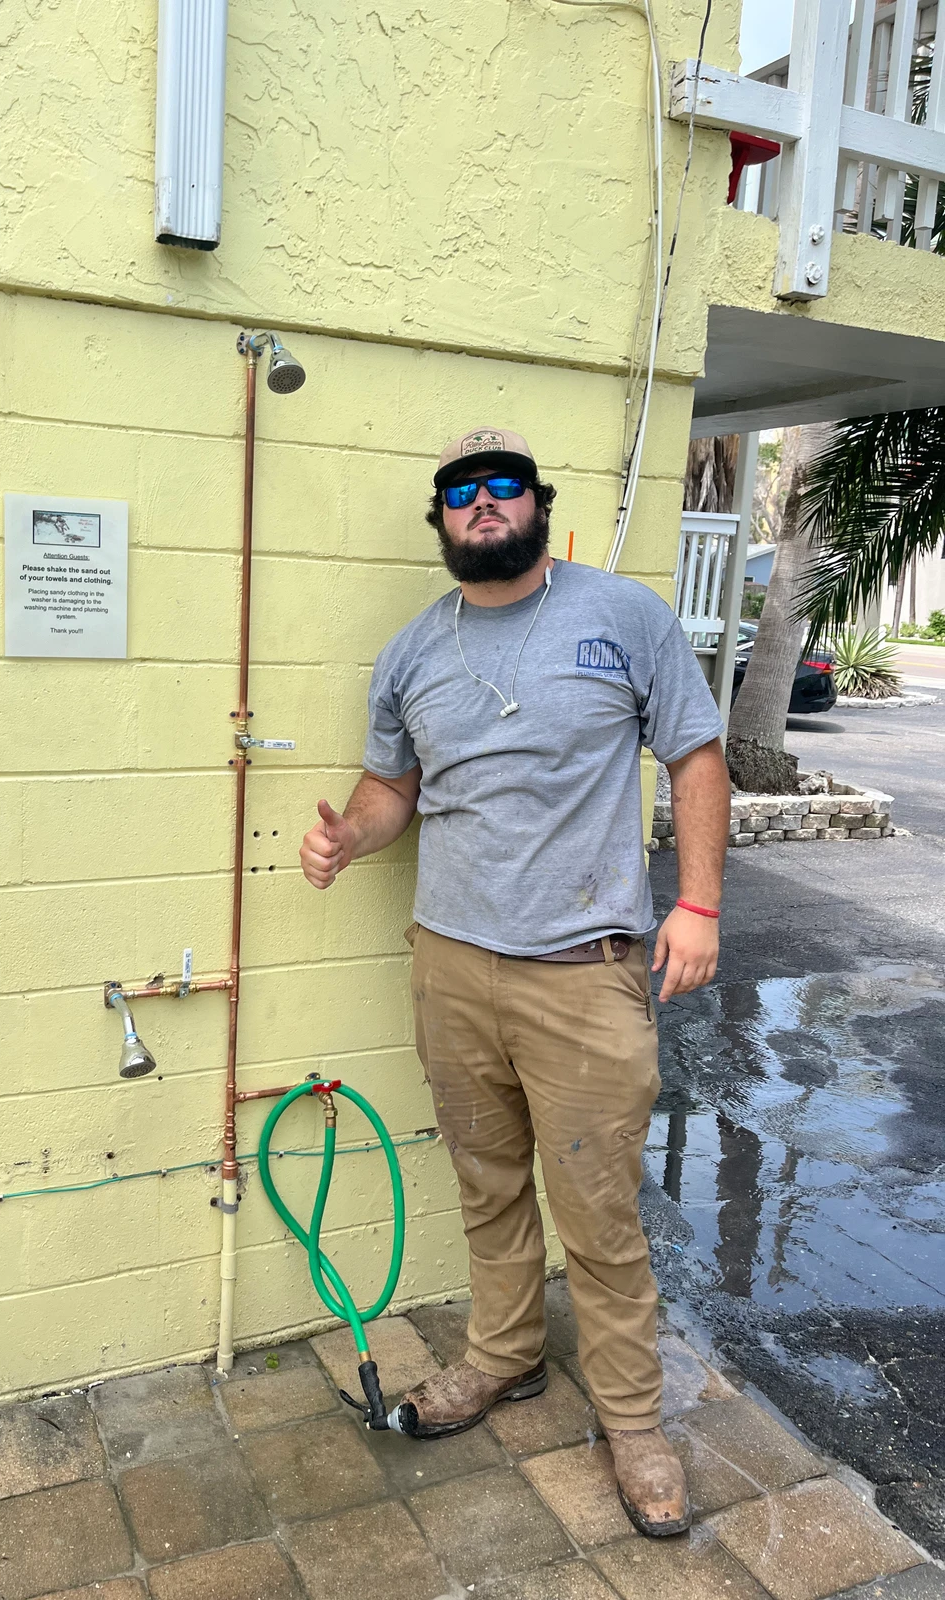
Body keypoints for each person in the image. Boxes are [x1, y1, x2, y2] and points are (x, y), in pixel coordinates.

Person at [299, 427, 730, 1538]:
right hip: (450, 964)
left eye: (501, 487)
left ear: (537, 504)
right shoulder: (412, 653)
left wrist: (698, 904)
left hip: (584, 975)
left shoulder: (622, 616)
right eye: (458, 493)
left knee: (599, 1211)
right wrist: (350, 834)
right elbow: (393, 786)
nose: (480, 503)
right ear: (439, 521)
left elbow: (694, 753)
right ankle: (505, 1356)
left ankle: (634, 1421)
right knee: (488, 1183)